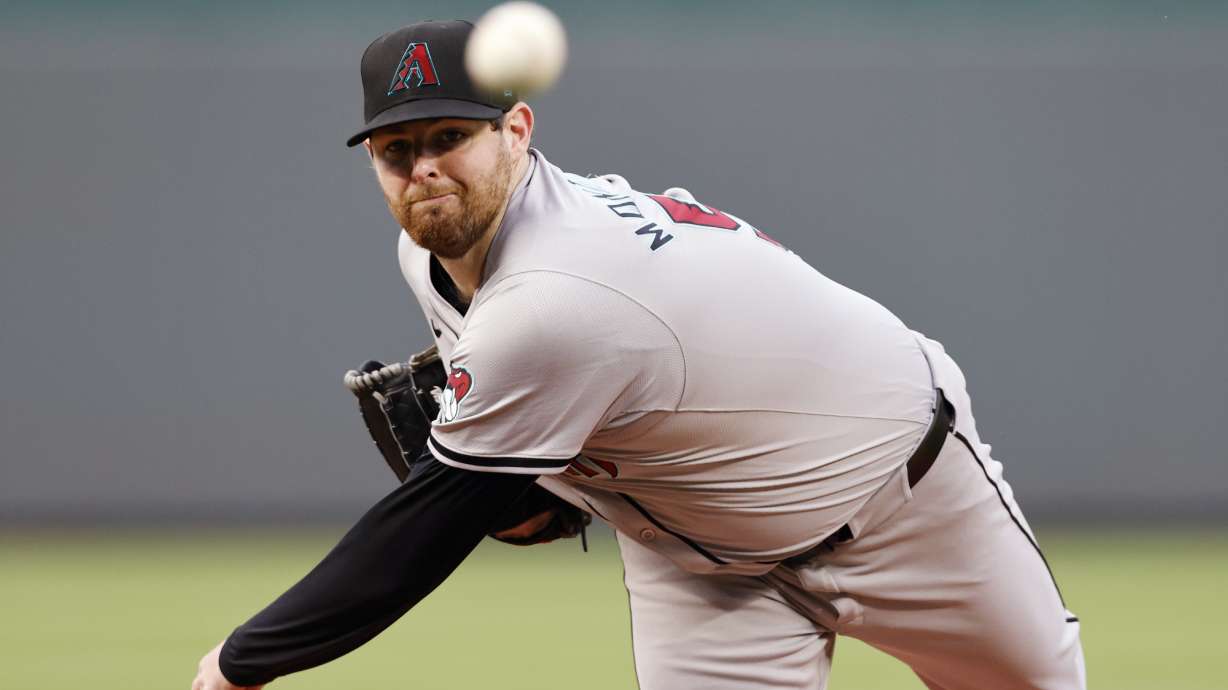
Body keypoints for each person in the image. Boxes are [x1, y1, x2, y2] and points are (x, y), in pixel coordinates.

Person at [192, 19, 1086, 690]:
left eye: (448, 138)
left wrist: (239, 663)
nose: (423, 167)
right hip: (706, 568)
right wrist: (529, 486)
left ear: (515, 131)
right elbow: (513, 462)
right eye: (397, 149)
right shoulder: (430, 253)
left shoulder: (559, 294)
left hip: (905, 501)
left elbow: (421, 534)